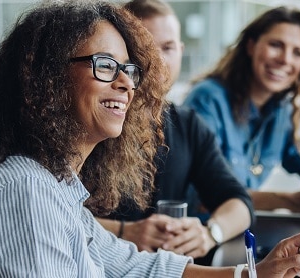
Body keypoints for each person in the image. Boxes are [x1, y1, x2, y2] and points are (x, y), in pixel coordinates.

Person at [0, 2, 300, 277]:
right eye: (105, 66)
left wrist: (253, 276)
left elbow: (134, 266)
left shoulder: (54, 187)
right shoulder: (23, 192)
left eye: (128, 69)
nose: (126, 82)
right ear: (47, 79)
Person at [90, 0, 253, 263]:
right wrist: (124, 232)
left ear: (181, 51)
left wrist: (210, 232)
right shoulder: (94, 119)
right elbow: (54, 212)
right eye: (144, 49)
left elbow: (239, 201)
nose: (158, 61)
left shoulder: (187, 125)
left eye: (167, 48)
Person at [183, 6, 300, 214]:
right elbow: (203, 197)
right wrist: (288, 200)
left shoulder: (283, 110)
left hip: (243, 231)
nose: (285, 59)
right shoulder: (208, 99)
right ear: (251, 46)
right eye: (276, 45)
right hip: (200, 234)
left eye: (297, 53)